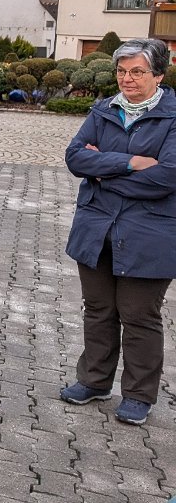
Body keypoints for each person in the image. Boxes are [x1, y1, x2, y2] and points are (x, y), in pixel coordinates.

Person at [60, 38, 176, 426]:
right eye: (122, 71)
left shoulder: (174, 116)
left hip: (150, 234)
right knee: (98, 310)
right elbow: (75, 157)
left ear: (159, 74)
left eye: (137, 71)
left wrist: (102, 171)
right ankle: (93, 381)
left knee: (139, 315)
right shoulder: (103, 108)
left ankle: (139, 396)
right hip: (96, 229)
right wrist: (130, 163)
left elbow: (166, 177)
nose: (127, 79)